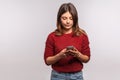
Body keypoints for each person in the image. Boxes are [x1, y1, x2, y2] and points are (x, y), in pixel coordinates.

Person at [44, 2, 91, 80]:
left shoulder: (82, 35)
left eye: (71, 18)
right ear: (59, 18)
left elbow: (87, 58)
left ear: (75, 19)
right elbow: (47, 61)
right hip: (57, 76)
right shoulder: (52, 36)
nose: (68, 21)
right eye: (64, 18)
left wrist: (78, 55)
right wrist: (60, 55)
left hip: (77, 76)